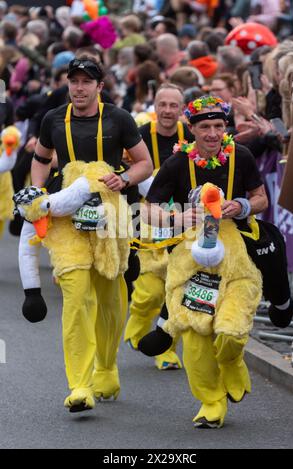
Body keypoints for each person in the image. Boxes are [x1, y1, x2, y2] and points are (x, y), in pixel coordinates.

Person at [139, 95, 293, 426]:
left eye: (218, 126)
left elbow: (262, 198)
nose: (212, 134)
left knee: (231, 332)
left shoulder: (243, 154)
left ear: (226, 127)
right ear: (191, 129)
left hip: (238, 263)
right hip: (194, 265)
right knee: (195, 341)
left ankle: (234, 362)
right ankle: (210, 402)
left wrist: (241, 205)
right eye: (205, 127)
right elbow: (148, 209)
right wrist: (178, 219)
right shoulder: (178, 163)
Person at [30, 56, 153, 412]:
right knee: (76, 295)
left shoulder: (119, 118)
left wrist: (125, 178)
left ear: (100, 86)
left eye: (87, 82)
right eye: (74, 81)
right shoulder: (53, 118)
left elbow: (144, 163)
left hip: (110, 216)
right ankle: (79, 385)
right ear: (68, 84)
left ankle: (106, 367)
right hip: (68, 215)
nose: (79, 88)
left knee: (111, 299)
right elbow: (40, 159)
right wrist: (39, 195)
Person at [124, 83, 193, 369]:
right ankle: (138, 327)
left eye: (173, 105)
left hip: (183, 219)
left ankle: (166, 349)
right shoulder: (139, 136)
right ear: (154, 106)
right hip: (146, 217)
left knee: (174, 288)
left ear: (181, 109)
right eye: (162, 104)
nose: (167, 111)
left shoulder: (191, 137)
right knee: (149, 291)